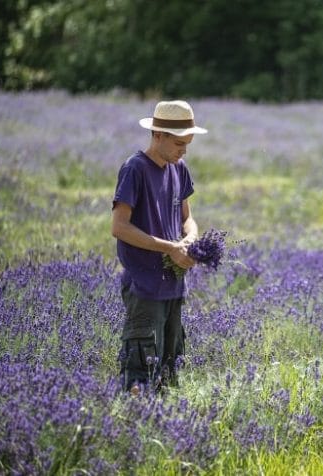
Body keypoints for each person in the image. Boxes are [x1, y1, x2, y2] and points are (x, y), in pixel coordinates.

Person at [111, 100, 207, 395]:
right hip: (145, 286)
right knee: (141, 369)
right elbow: (119, 227)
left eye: (188, 143)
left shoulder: (179, 170)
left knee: (170, 367)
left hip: (174, 285)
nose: (184, 150)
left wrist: (189, 241)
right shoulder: (134, 169)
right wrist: (170, 248)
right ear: (158, 135)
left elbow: (188, 219)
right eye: (179, 143)